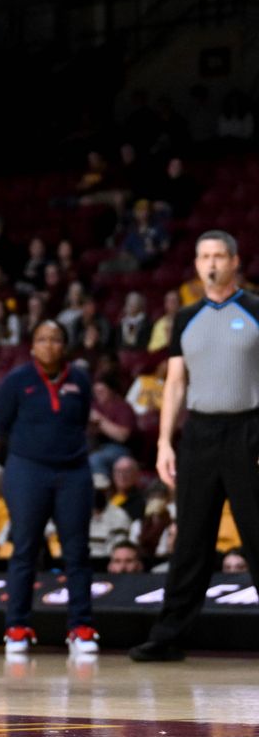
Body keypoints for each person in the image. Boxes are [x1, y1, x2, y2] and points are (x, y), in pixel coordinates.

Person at [131, 231, 259, 662]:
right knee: (191, 541)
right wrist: (166, 442)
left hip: (249, 430)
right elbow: (175, 385)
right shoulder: (184, 318)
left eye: (219, 255)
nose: (211, 263)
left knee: (257, 535)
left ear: (234, 261)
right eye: (204, 256)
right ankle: (167, 636)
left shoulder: (255, 309)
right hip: (200, 435)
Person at [0, 320, 97, 657]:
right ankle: (17, 627)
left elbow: (81, 421)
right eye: (42, 339)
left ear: (65, 345)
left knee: (77, 552)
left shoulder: (80, 379)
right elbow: (0, 425)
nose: (49, 345)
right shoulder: (16, 381)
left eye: (56, 339)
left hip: (74, 472)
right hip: (27, 470)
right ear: (32, 345)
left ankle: (81, 628)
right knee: (25, 549)